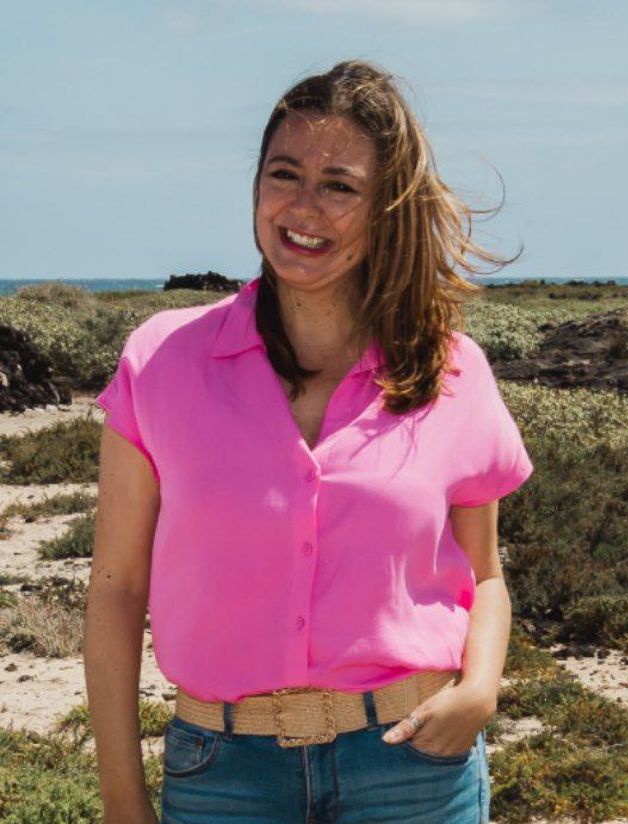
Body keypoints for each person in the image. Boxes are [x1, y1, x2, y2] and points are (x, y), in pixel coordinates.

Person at [84, 60, 531, 823]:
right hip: (223, 777)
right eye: (284, 174)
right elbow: (117, 588)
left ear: (386, 209)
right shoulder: (159, 362)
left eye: (339, 186)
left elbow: (485, 577)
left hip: (412, 767)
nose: (303, 206)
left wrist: (481, 689)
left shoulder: (453, 371)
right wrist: (123, 799)